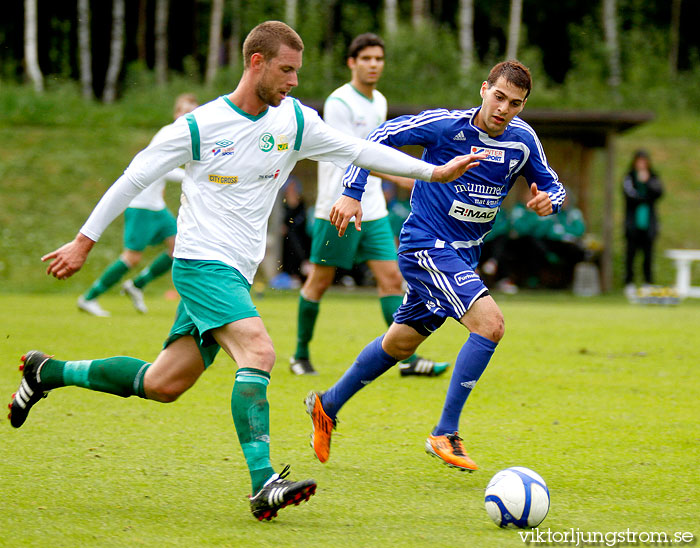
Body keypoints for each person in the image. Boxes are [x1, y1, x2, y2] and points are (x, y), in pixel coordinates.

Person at [7, 21, 483, 521]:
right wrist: (84, 241)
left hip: (233, 271)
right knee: (258, 349)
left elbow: (357, 150)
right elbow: (135, 176)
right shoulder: (198, 126)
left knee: (164, 384)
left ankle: (48, 371)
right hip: (199, 263)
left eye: (297, 72)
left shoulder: (294, 121)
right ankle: (263, 484)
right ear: (256, 63)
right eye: (286, 70)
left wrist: (433, 171)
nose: (294, 82)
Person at [305, 60, 566, 472]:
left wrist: (552, 200)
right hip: (426, 246)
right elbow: (380, 135)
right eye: (498, 97)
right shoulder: (446, 127)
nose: (503, 109)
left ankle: (327, 404)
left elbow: (552, 182)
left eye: (515, 104)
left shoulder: (523, 140)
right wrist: (352, 190)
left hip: (464, 255)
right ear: (484, 89)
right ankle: (445, 432)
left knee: (399, 345)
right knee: (490, 325)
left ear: (523, 105)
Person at [291, 33, 449, 377]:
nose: (374, 65)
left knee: (392, 279)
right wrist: (400, 175)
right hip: (340, 205)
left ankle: (406, 360)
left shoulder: (379, 101)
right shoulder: (339, 103)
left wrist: (396, 175)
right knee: (319, 281)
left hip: (373, 206)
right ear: (352, 62)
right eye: (366, 59)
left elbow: (376, 149)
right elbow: (347, 155)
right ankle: (299, 355)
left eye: (379, 59)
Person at [77, 93, 199, 317]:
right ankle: (89, 297)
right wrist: (192, 177)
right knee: (132, 257)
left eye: (193, 112)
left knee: (178, 246)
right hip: (141, 205)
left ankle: (138, 285)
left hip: (157, 206)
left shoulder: (189, 134)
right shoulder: (169, 132)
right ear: (176, 113)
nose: (188, 115)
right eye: (185, 111)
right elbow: (160, 167)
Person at [622, 149, 663, 297]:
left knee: (648, 255)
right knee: (631, 254)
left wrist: (647, 183)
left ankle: (648, 283)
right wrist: (645, 197)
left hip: (648, 223)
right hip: (633, 224)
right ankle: (629, 283)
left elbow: (659, 193)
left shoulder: (652, 177)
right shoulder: (629, 177)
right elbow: (630, 196)